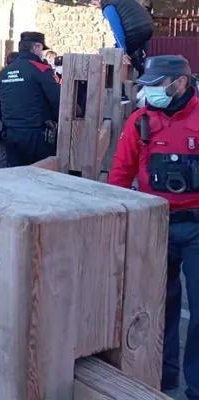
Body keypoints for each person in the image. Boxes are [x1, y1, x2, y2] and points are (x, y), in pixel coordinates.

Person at [108, 56, 198, 400]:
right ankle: (163, 376)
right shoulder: (140, 121)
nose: (151, 92)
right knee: (159, 306)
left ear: (180, 84)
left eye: (159, 85)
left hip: (195, 226)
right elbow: (120, 172)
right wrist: (116, 221)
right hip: (154, 223)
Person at [0, 31, 60, 167]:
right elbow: (57, 100)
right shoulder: (41, 70)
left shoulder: (3, 73)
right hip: (36, 136)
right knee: (39, 178)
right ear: (36, 47)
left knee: (13, 178)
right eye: (41, 50)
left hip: (9, 135)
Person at [91, 0, 154, 74]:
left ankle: (113, 82)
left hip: (137, 29)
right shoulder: (120, 0)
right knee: (129, 52)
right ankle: (141, 74)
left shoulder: (108, 7)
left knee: (115, 54)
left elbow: (117, 30)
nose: (95, 7)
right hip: (148, 26)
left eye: (95, 4)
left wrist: (122, 51)